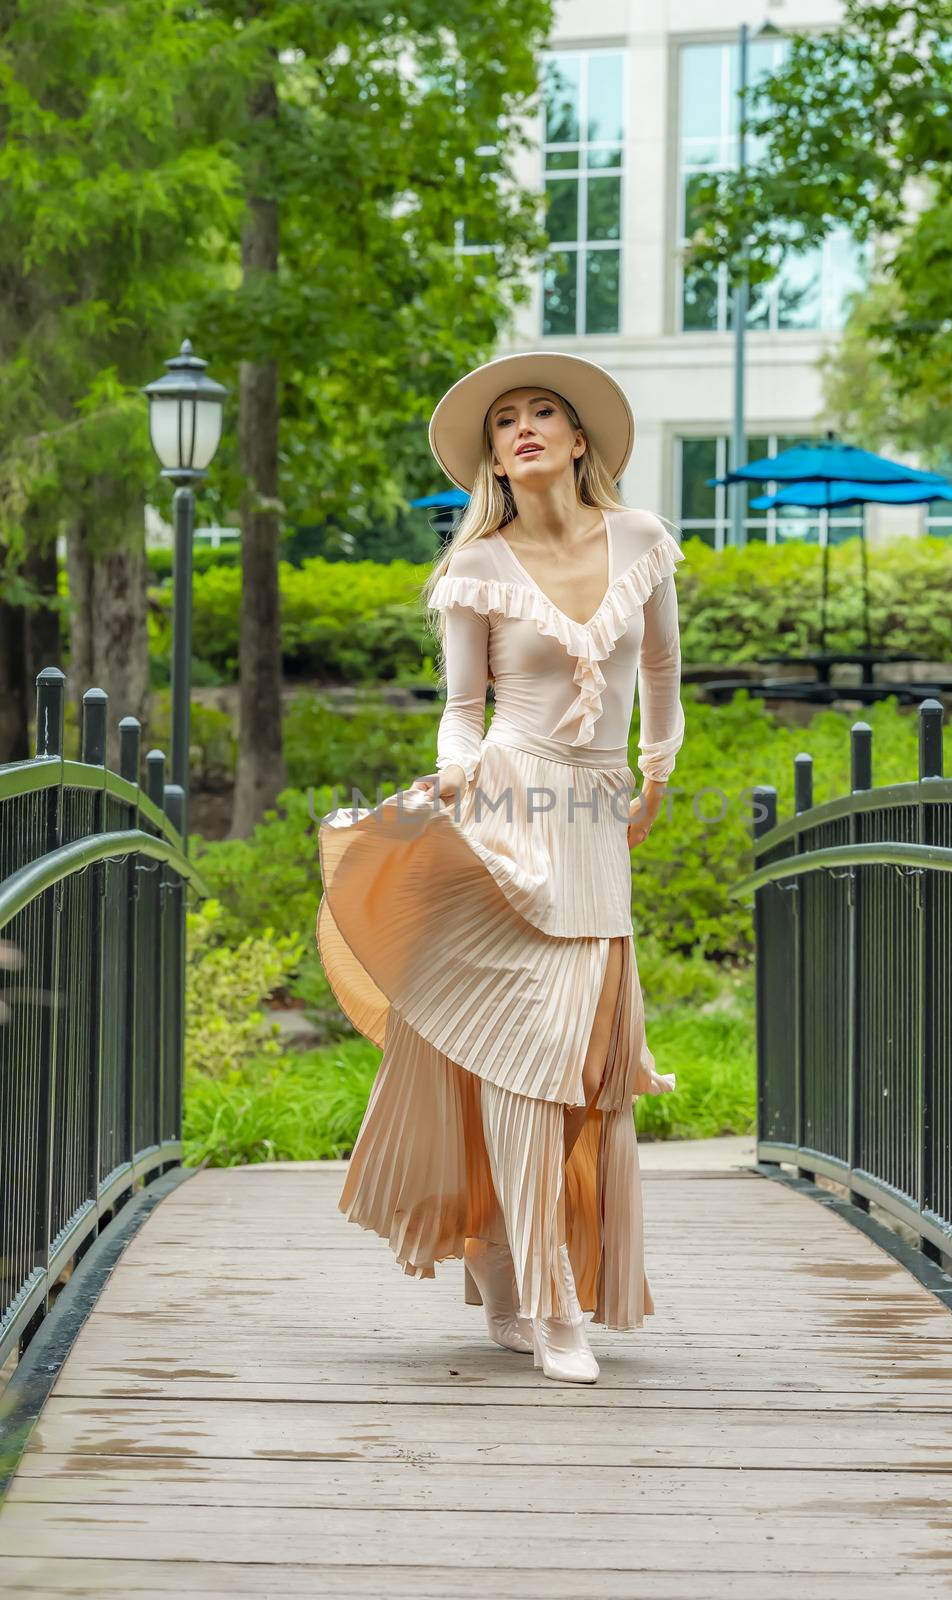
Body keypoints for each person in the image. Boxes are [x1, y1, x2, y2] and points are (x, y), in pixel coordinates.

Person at [316, 351, 685, 1385]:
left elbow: (656, 666)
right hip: (511, 802)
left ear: (577, 442)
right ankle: (547, 1299)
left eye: (542, 414)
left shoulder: (643, 541)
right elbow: (459, 706)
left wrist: (655, 769)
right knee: (523, 1057)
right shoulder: (473, 566)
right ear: (494, 457)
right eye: (503, 421)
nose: (520, 428)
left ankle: (512, 1263)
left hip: (595, 815)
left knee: (579, 1064)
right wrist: (457, 777)